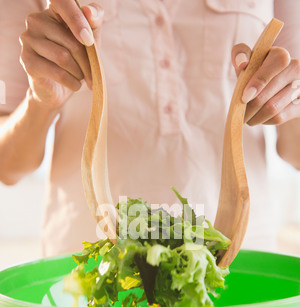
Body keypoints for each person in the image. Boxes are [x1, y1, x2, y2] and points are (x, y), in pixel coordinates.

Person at [0, 0, 299, 257]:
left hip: (241, 260)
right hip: (87, 260)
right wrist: (41, 99)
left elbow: (294, 148)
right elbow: (7, 164)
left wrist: (292, 95)